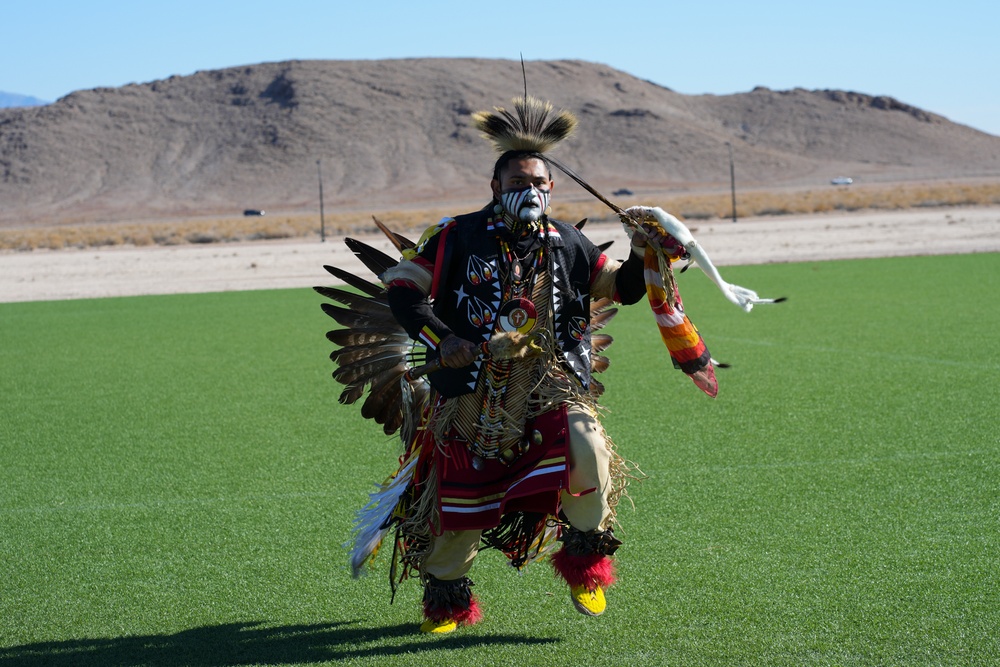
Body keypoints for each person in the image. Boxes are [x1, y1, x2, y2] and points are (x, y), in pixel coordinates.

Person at [318, 96, 776, 635]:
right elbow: (403, 289)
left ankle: (585, 565)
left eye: (538, 183)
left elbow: (621, 289)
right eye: (517, 183)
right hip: (472, 393)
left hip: (550, 384)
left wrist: (639, 249)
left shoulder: (569, 243)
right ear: (495, 187)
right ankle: (447, 601)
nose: (529, 191)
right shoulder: (456, 238)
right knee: (462, 497)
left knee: (588, 449)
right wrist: (442, 340)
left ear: (551, 188)